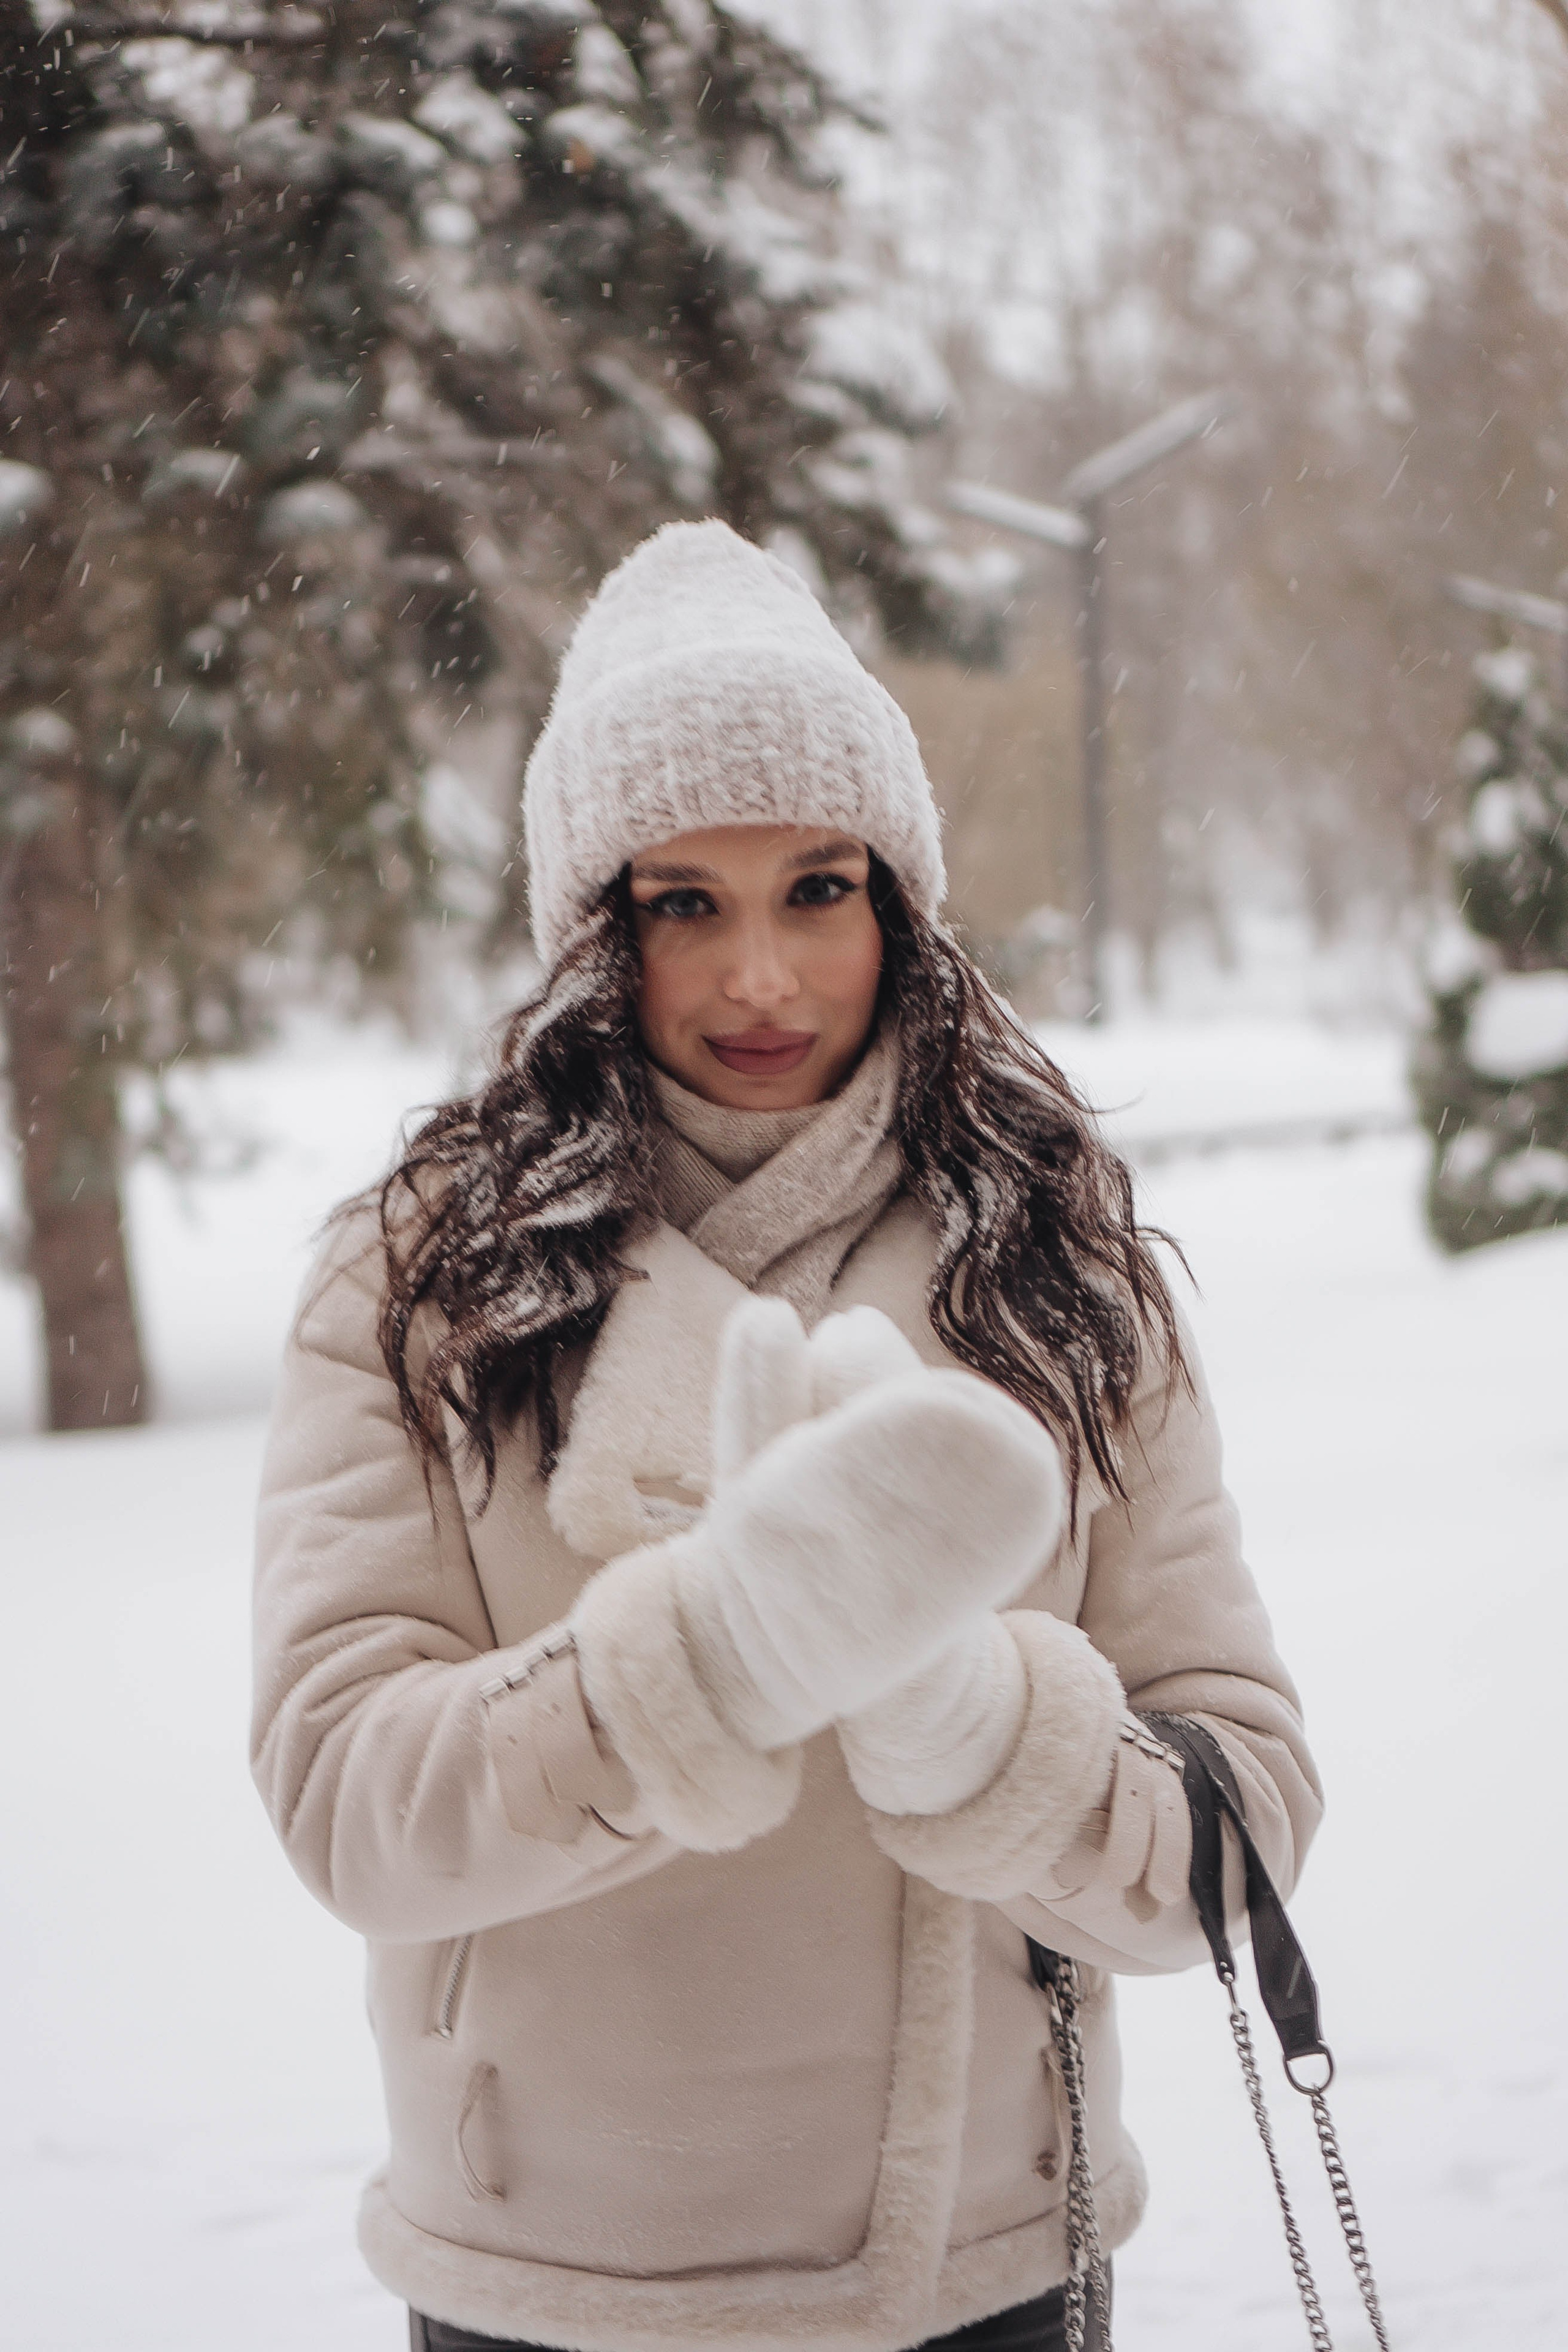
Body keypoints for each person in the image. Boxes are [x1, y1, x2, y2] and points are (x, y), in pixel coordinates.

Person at [252, 521, 1321, 2352]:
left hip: (983, 2275)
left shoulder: (1054, 1264)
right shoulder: (424, 1273)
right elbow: (349, 1796)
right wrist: (698, 1668)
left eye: (817, 889)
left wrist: (989, 1733)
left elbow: (1242, 1822)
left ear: (901, 905)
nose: (760, 977)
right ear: (599, 930)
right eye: (688, 902)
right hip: (553, 2286)